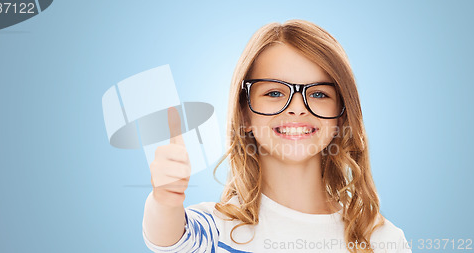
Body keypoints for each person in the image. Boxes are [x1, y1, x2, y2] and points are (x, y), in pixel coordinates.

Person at [142, 19, 412, 253]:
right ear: (245, 115)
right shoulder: (217, 231)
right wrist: (164, 201)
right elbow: (169, 240)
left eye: (319, 94)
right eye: (274, 93)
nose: (297, 108)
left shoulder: (382, 241)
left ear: (342, 115)